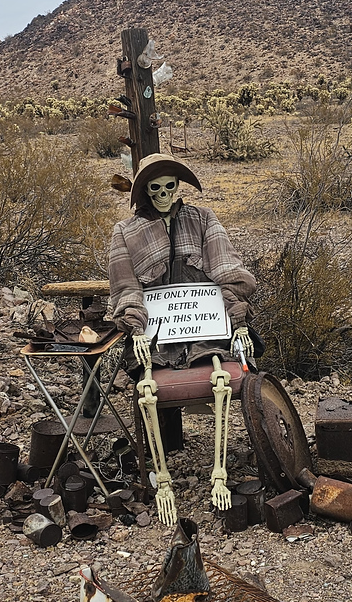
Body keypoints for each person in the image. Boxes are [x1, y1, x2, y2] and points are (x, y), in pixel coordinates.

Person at [104, 153, 255, 524]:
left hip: (206, 327)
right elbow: (125, 285)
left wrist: (237, 320)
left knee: (222, 377)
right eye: (154, 188)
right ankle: (163, 482)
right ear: (143, 191)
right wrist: (137, 327)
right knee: (148, 389)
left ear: (179, 186)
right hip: (160, 335)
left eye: (169, 186)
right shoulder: (126, 231)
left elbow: (225, 270)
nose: (163, 194)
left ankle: (219, 475)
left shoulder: (204, 219)